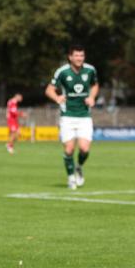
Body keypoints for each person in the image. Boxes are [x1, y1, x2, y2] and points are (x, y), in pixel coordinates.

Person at [45, 44, 99, 189]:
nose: (79, 58)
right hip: (67, 116)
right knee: (69, 149)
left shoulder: (90, 70)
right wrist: (57, 98)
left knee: (84, 149)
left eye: (82, 55)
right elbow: (49, 89)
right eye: (76, 55)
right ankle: (70, 178)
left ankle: (79, 167)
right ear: (70, 57)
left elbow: (95, 85)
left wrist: (92, 97)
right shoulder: (62, 72)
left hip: (84, 116)